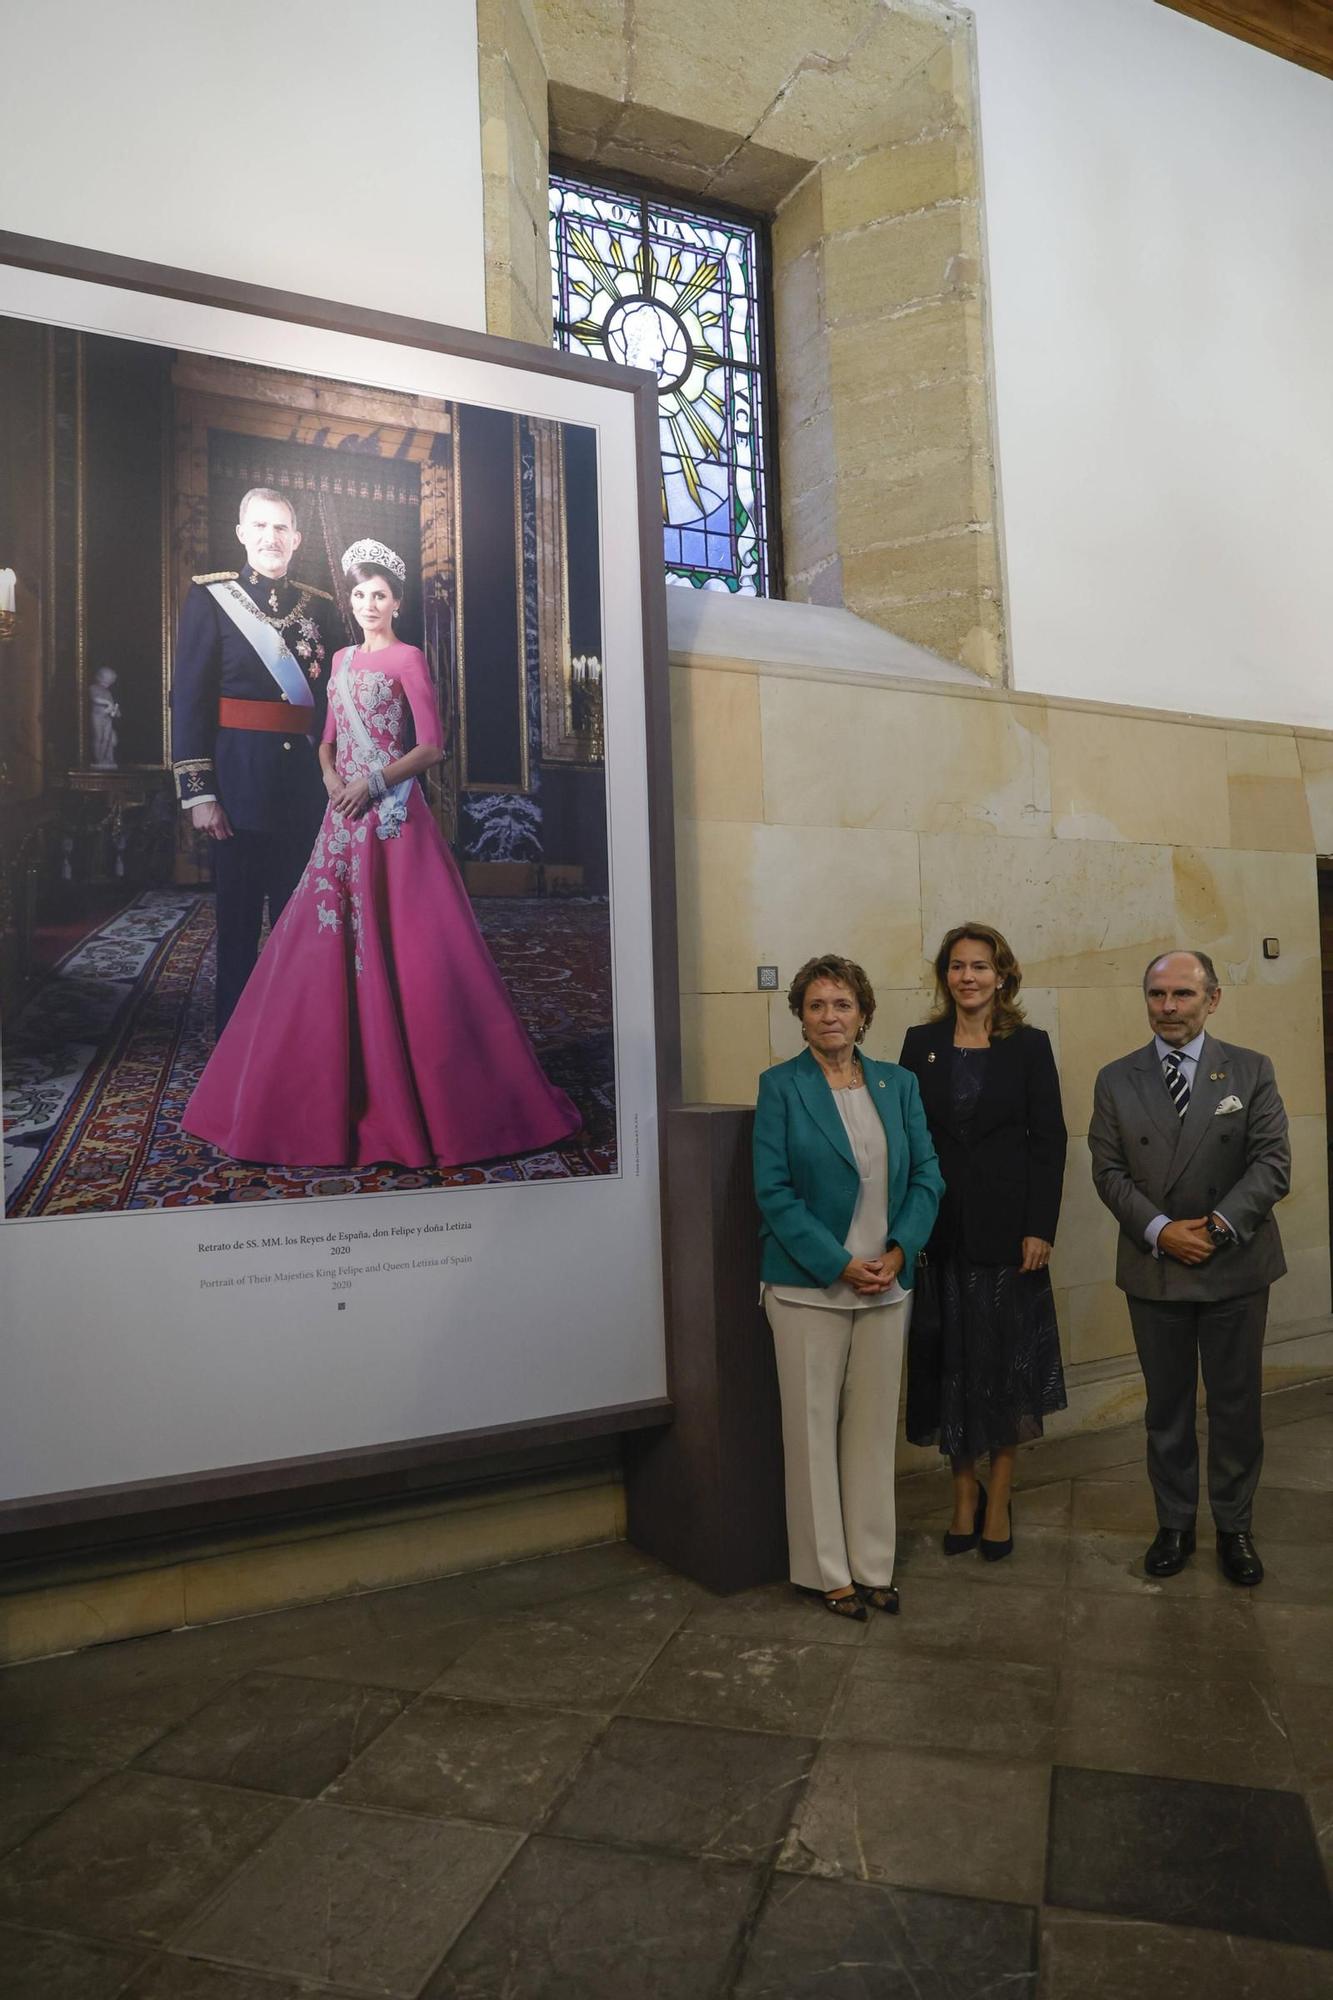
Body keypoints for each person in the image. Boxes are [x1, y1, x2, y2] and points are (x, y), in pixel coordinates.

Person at [182, 540, 582, 1169]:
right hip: (341, 818)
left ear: (397, 601)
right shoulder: (339, 658)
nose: (370, 605)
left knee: (410, 948)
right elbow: (326, 739)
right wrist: (331, 780)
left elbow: (432, 747)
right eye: (361, 595)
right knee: (319, 948)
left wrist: (372, 784)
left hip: (392, 820)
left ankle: (422, 1083)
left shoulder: (409, 659)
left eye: (381, 596)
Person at [1089, 950, 1290, 1585]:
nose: (1168, 1007)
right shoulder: (1116, 1078)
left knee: (1236, 1406)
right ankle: (1174, 1523)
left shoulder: (1251, 1070)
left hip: (1234, 1265)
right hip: (1156, 1267)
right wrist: (1161, 1230)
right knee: (1166, 1407)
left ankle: (1235, 1526)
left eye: (1182, 994)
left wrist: (1216, 1226)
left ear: (1213, 999)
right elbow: (1108, 1170)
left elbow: (1272, 1163)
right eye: (1157, 995)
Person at [753, 954, 943, 1619]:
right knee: (808, 1431)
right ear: (799, 1016)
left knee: (868, 1432)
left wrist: (899, 1250)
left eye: (841, 1004)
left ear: (862, 1013)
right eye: (815, 1005)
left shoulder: (899, 1085)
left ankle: (871, 1564)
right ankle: (824, 1572)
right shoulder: (780, 1086)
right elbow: (771, 1192)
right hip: (808, 1287)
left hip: (886, 1285)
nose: (829, 1017)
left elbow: (927, 1177)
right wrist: (836, 1262)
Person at [899, 923, 1068, 1560]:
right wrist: (908, 1227)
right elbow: (910, 1143)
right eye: (957, 966)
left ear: (1002, 975)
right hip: (941, 1238)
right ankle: (961, 1496)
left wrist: (1039, 1227)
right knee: (952, 1371)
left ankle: (999, 1497)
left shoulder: (1029, 1045)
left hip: (1008, 1240)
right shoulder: (921, 1044)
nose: (968, 977)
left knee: (1002, 1371)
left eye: (981, 966)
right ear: (946, 976)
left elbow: (1049, 1142)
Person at [171, 488, 341, 1033]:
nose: (271, 538)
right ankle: (235, 1051)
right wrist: (201, 794)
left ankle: (299, 1044)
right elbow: (190, 700)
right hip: (237, 795)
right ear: (242, 533)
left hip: (304, 795)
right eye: (260, 527)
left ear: (297, 539)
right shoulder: (210, 599)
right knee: (238, 931)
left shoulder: (320, 607)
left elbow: (333, 704)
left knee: (304, 929)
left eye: (282, 528)